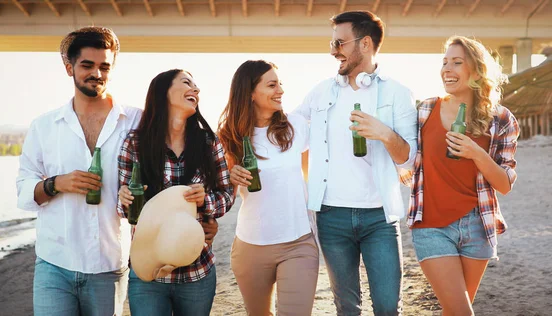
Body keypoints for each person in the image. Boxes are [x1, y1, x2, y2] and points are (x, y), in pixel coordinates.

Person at [293, 10, 418, 315]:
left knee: (388, 307)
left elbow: (409, 158)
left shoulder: (398, 93)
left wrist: (385, 134)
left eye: (339, 42)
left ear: (364, 44)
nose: (333, 50)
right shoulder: (321, 91)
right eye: (331, 43)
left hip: (380, 218)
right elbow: (287, 132)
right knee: (346, 306)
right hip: (331, 217)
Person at [16, 26, 136, 316]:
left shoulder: (136, 121)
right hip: (54, 264)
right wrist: (56, 184)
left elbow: (168, 171)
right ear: (69, 67)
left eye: (104, 66)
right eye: (87, 65)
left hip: (109, 265)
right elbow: (23, 189)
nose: (97, 73)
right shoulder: (44, 126)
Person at [407, 35, 519, 315]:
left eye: (457, 62)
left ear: (477, 71)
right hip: (431, 224)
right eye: (444, 62)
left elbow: (504, 184)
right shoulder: (424, 110)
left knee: (454, 309)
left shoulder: (501, 119)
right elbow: (403, 153)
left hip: (476, 225)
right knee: (461, 311)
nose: (447, 69)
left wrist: (476, 153)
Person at [117, 69, 234, 316]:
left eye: (196, 85)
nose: (196, 89)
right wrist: (125, 199)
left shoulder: (208, 142)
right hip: (148, 272)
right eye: (186, 82)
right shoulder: (135, 143)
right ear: (163, 92)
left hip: (197, 271)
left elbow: (226, 195)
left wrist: (205, 202)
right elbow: (126, 207)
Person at [217, 60, 319, 315]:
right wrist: (230, 176)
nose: (280, 91)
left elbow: (314, 173)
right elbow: (219, 191)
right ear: (250, 92)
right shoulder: (230, 136)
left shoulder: (295, 126)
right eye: (272, 85)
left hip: (298, 243)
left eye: (280, 84)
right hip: (250, 246)